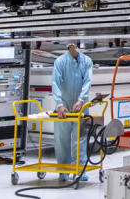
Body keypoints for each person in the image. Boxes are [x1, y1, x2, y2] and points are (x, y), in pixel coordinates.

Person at [51, 40, 92, 182]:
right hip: (64, 104)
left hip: (81, 104)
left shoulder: (87, 61)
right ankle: (63, 170)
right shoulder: (60, 62)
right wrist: (59, 104)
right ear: (68, 46)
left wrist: (81, 100)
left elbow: (87, 81)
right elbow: (55, 83)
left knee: (80, 137)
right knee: (62, 138)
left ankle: (79, 169)